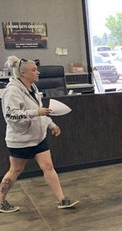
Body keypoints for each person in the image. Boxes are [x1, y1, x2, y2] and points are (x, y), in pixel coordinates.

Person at [0, 57, 79, 213]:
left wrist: (51, 124)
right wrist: (36, 113)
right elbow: (11, 116)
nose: (38, 72)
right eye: (34, 70)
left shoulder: (33, 88)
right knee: (15, 170)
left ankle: (61, 199)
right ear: (23, 73)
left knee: (48, 167)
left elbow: (41, 111)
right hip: (20, 140)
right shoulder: (12, 91)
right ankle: (1, 202)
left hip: (38, 137)